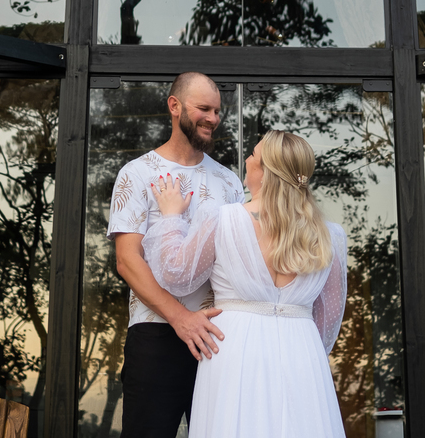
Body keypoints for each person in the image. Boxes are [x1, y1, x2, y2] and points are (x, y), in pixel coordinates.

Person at [145, 130, 348, 438]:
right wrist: (297, 341)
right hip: (303, 354)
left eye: (253, 154)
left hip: (236, 350)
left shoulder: (222, 219)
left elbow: (176, 274)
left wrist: (171, 217)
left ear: (265, 173)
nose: (248, 160)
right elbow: (328, 318)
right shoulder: (330, 236)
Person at [107, 72, 245, 437]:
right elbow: (127, 261)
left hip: (217, 336)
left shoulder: (230, 182)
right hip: (155, 335)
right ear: (175, 106)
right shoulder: (136, 174)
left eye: (217, 111)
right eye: (204, 109)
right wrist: (181, 318)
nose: (213, 118)